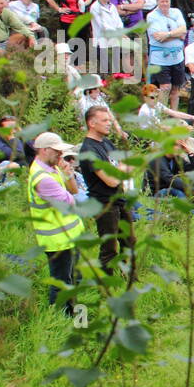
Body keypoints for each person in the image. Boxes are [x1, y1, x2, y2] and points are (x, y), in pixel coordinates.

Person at [27, 132, 83, 313]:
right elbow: (71, 203)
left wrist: (68, 174)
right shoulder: (43, 178)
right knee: (61, 282)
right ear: (43, 150)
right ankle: (60, 317)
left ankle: (72, 311)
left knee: (73, 277)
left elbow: (73, 191)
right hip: (57, 239)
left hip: (69, 234)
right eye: (57, 151)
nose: (61, 155)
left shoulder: (50, 168)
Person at [77, 106, 134, 277]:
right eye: (105, 120)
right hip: (104, 203)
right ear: (92, 123)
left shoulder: (106, 143)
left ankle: (127, 274)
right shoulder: (88, 150)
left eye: (110, 120)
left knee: (129, 240)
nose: (109, 124)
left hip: (119, 198)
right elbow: (111, 180)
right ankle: (106, 285)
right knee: (109, 247)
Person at [146, 0, 189, 110]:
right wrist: (176, 34)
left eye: (167, 1)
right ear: (157, 2)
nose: (165, 4)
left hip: (177, 57)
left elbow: (183, 31)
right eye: (162, 1)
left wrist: (168, 34)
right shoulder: (152, 16)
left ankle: (174, 115)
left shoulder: (176, 12)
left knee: (176, 88)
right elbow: (158, 37)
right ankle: (162, 114)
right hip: (160, 59)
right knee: (165, 87)